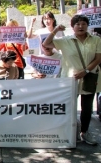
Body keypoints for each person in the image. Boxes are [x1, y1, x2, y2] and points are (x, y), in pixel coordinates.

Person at [43, 15, 101, 145]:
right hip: (69, 79)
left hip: (89, 77)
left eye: (83, 24)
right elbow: (46, 44)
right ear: (73, 27)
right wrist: (56, 30)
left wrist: (85, 71)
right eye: (77, 24)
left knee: (87, 108)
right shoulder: (65, 40)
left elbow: (98, 58)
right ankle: (69, 132)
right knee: (69, 106)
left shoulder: (96, 39)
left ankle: (85, 132)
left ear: (87, 26)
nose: (81, 27)